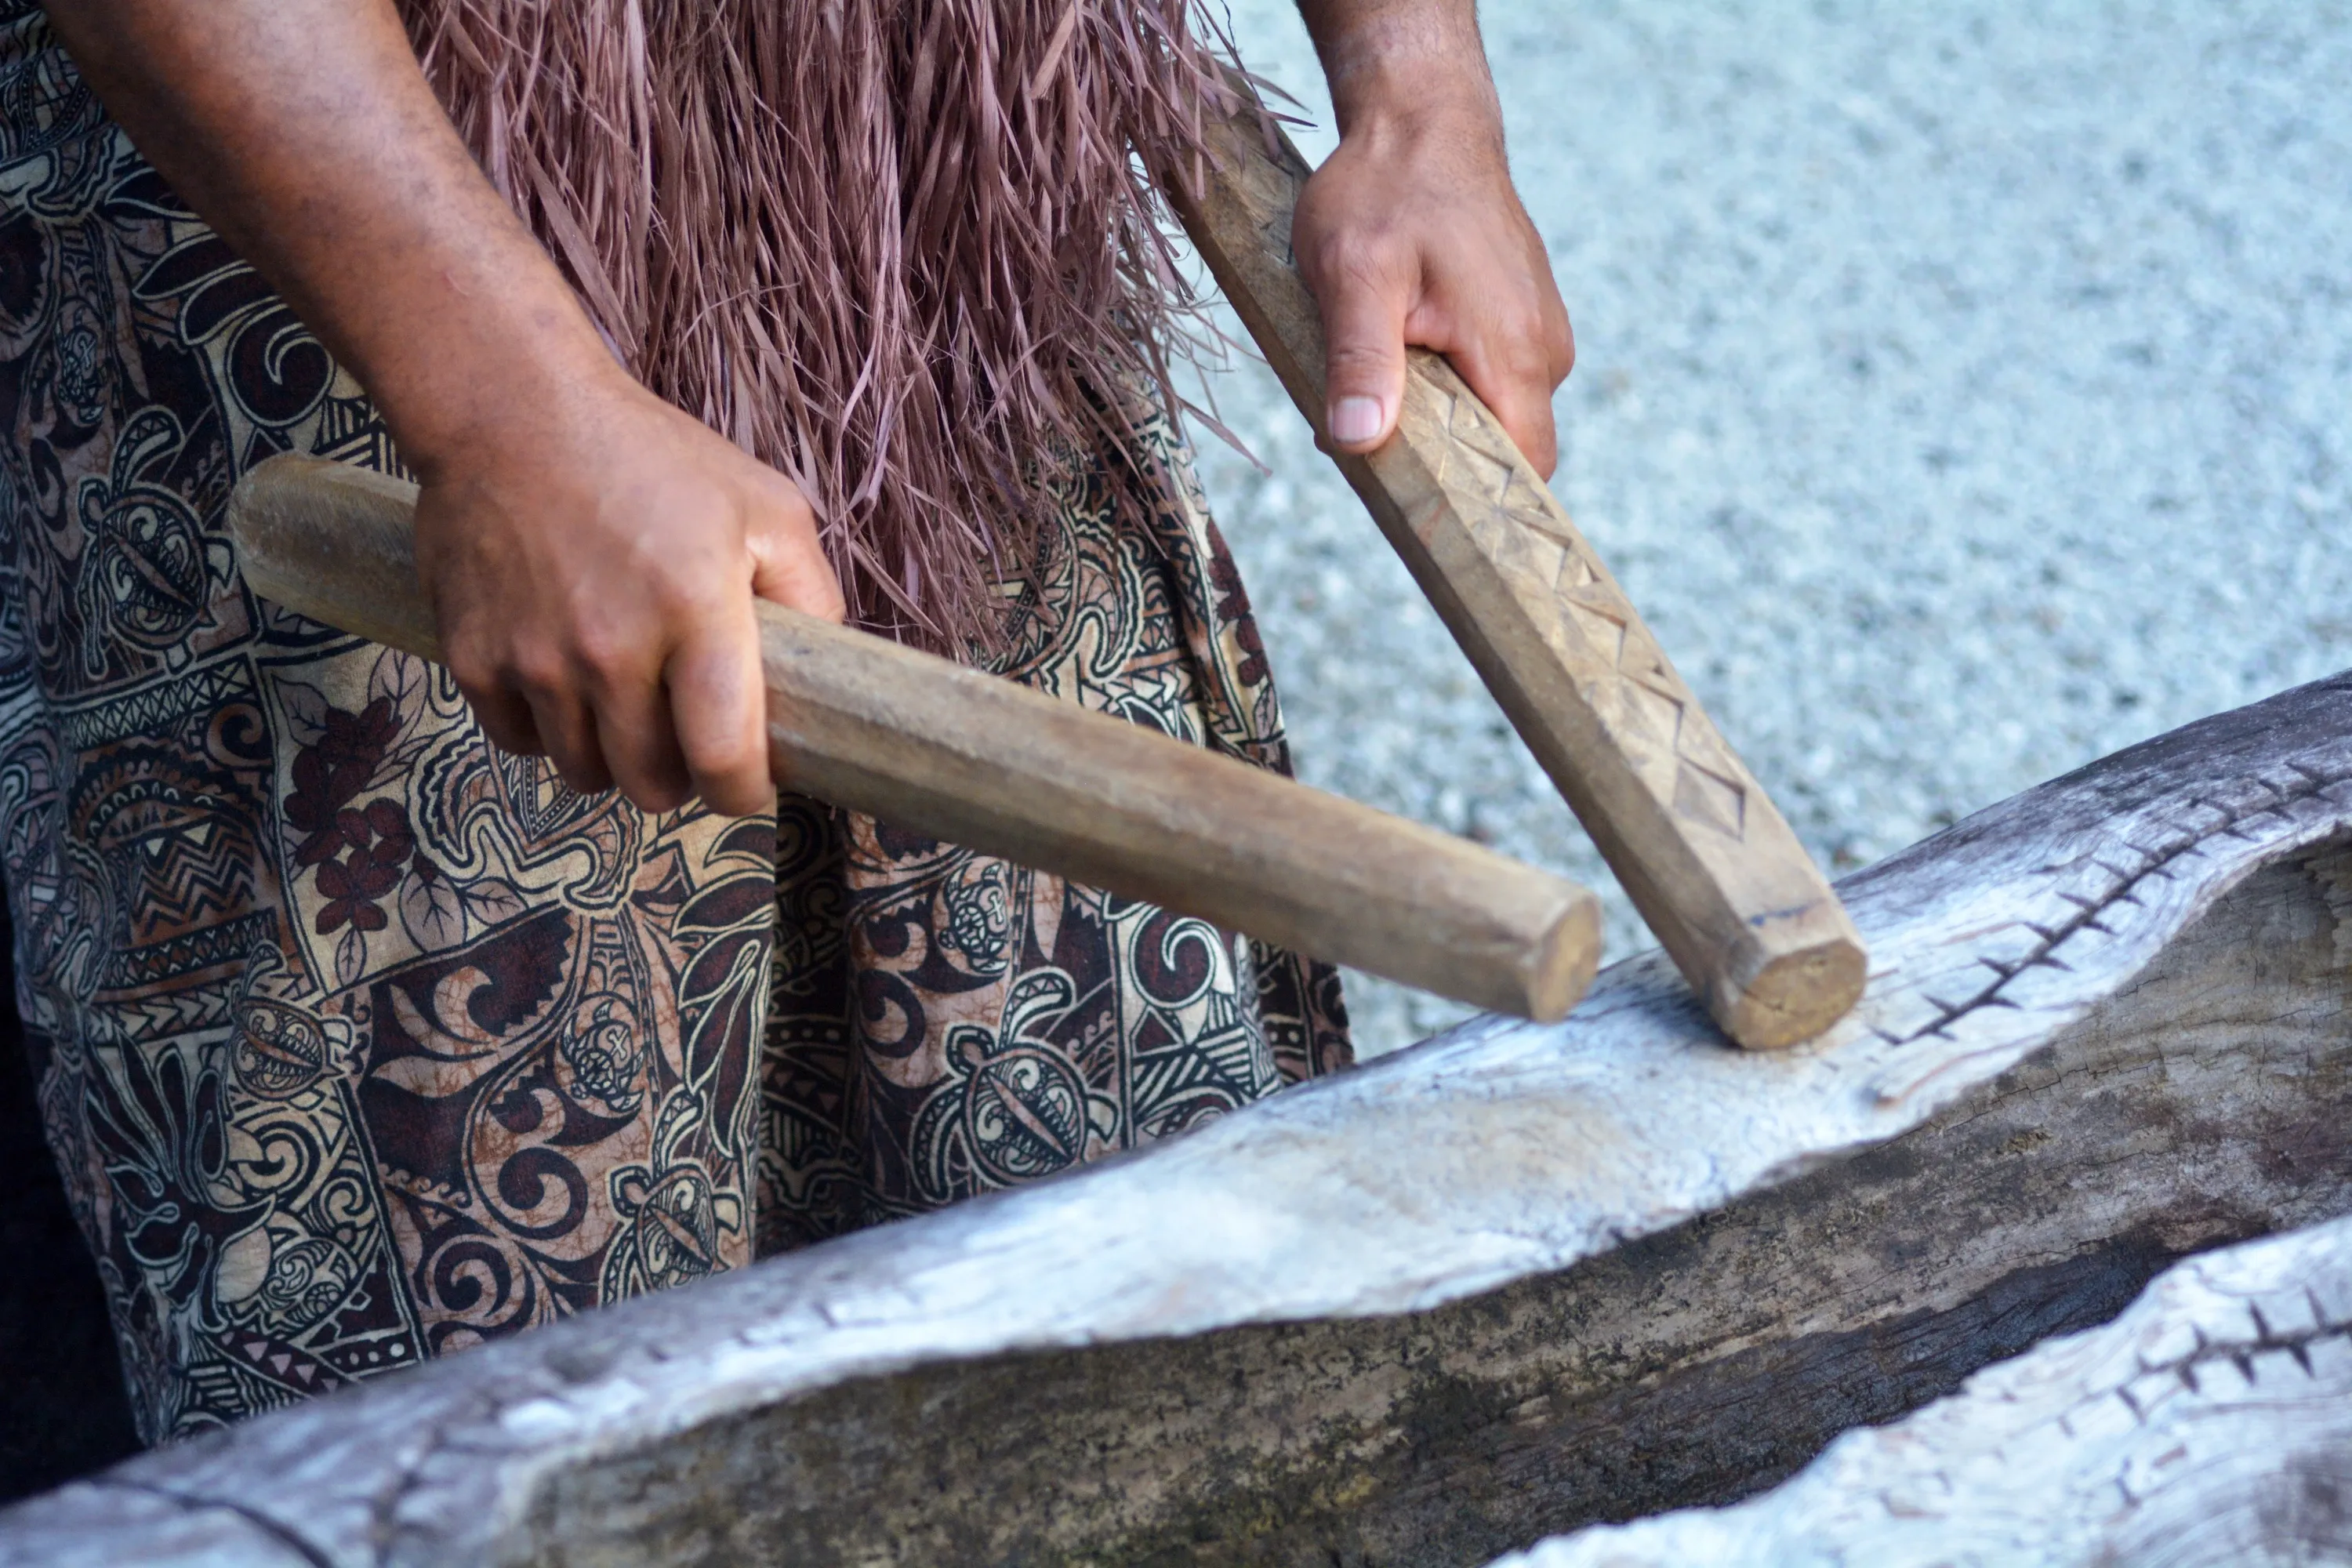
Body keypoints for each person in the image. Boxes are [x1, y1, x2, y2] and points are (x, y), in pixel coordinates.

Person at [2, 0, 1573, 1443]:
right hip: (359, 265)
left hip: (959, 224)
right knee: (483, 1400)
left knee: (1127, 1242)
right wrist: (502, 399)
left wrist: (1421, 92)